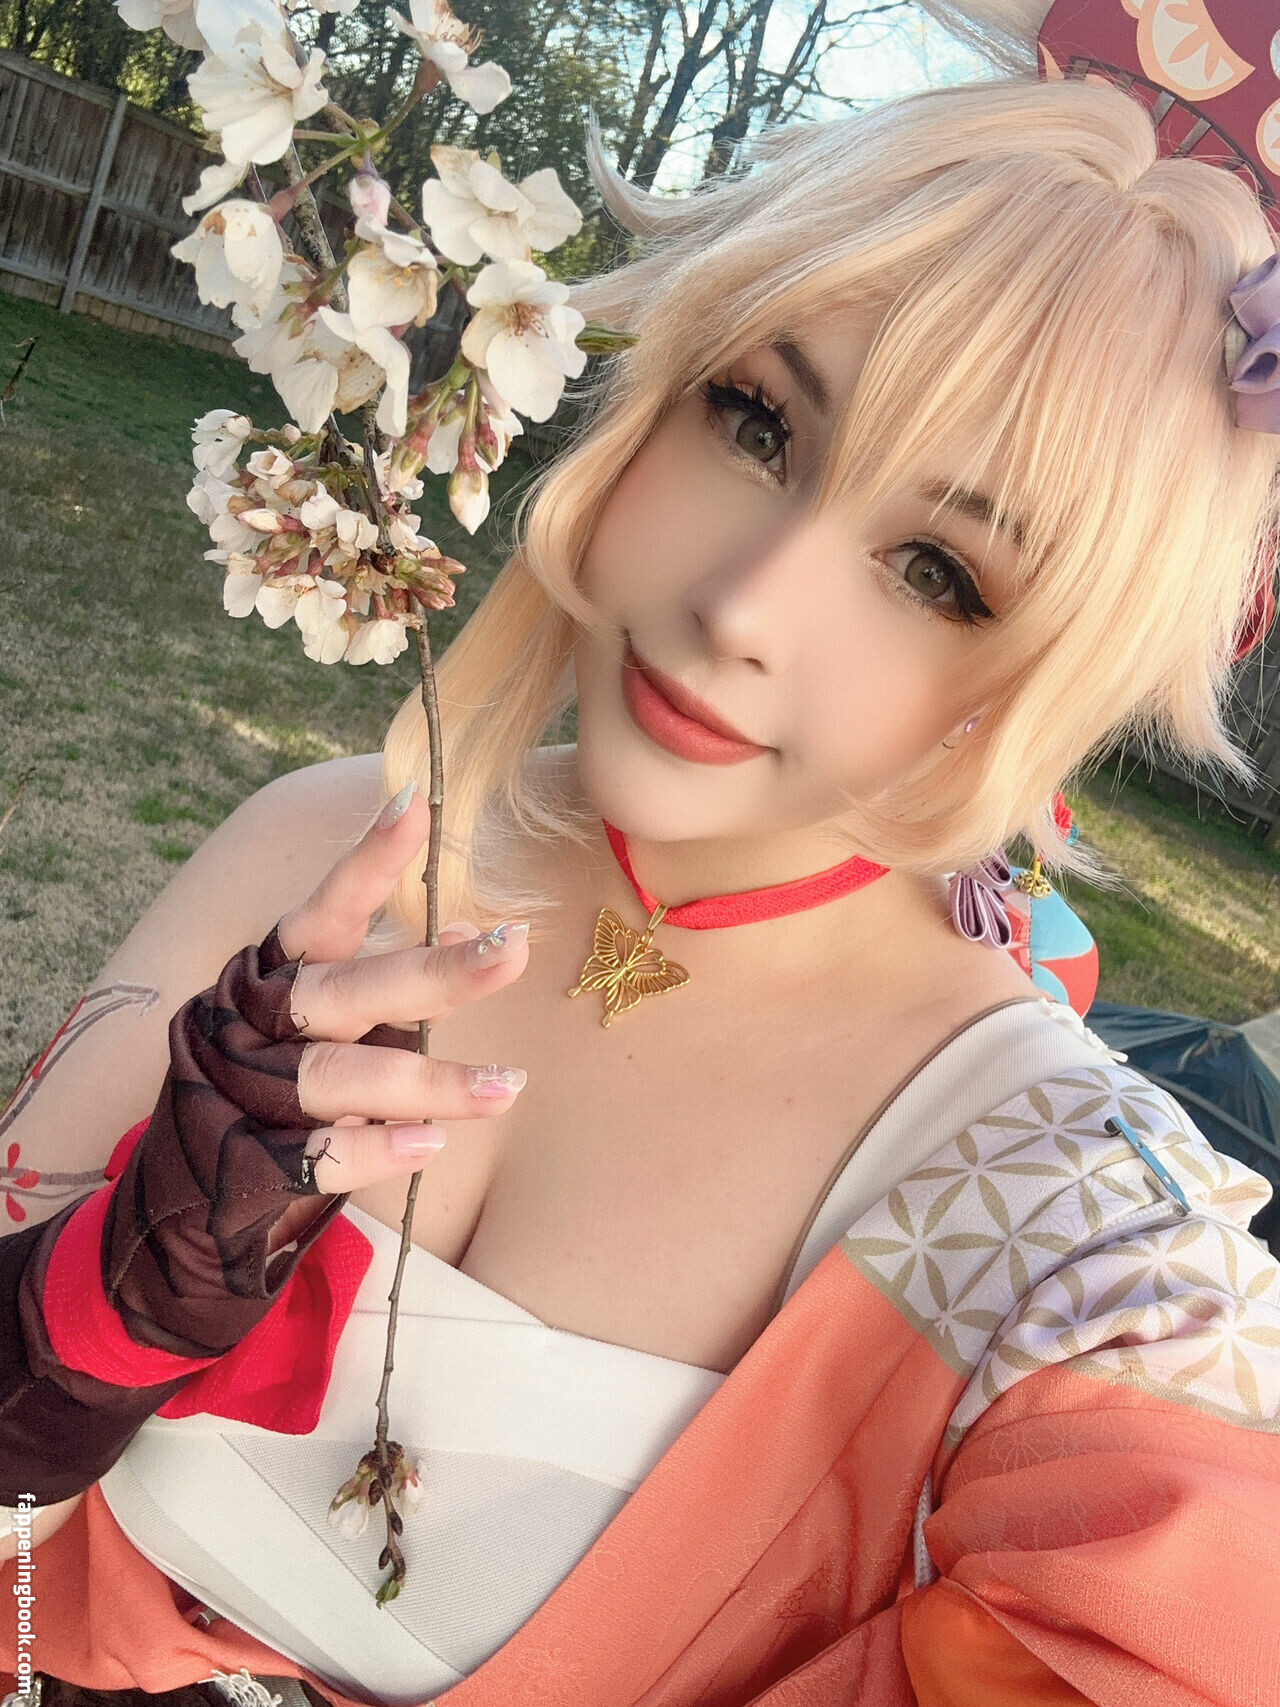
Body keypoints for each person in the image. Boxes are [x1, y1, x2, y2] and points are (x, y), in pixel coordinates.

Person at [3, 0, 1280, 1700]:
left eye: (939, 573)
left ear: (1053, 675)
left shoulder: (1069, 1225)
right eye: (756, 423)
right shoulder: (322, 844)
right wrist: (90, 1320)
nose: (744, 606)